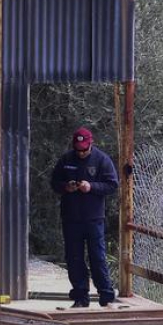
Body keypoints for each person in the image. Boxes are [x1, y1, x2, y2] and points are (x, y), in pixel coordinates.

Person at [50, 127, 119, 308]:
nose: (81, 152)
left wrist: (92, 187)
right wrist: (67, 186)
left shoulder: (102, 160)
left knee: (97, 257)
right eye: (78, 149)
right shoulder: (66, 159)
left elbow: (112, 185)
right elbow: (54, 183)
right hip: (71, 218)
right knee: (74, 258)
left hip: (93, 218)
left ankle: (106, 296)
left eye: (84, 149)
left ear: (91, 144)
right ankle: (80, 297)